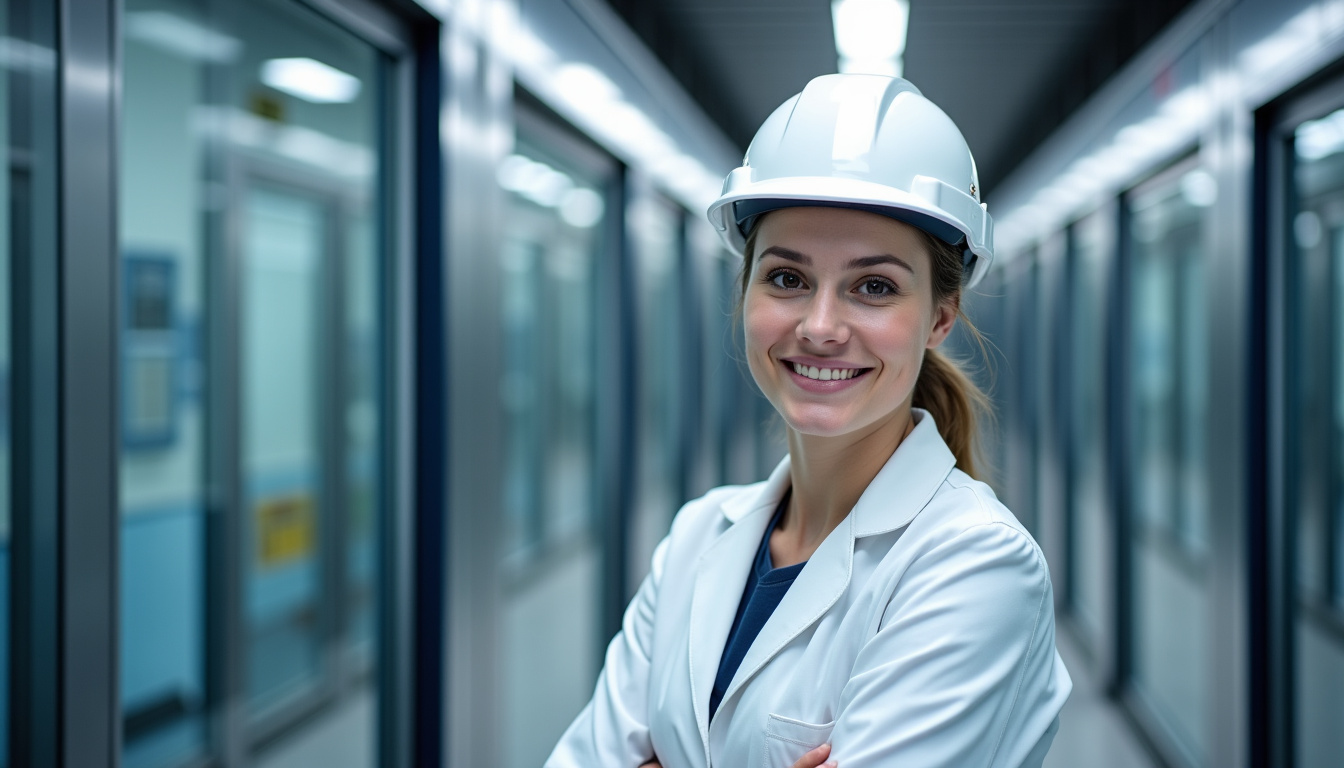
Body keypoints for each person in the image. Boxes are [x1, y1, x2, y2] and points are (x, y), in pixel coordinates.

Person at [545, 73, 1071, 768]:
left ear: (940, 318)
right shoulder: (698, 537)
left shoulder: (975, 565)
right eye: (787, 278)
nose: (820, 327)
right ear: (745, 293)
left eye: (874, 287)